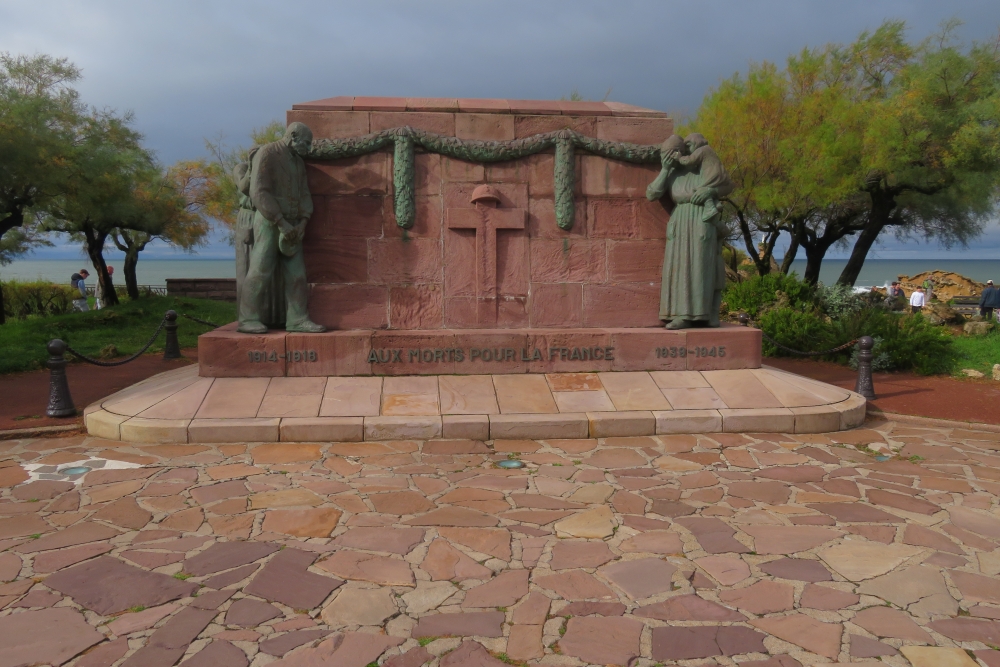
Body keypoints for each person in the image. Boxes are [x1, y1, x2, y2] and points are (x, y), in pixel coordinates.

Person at [237, 122, 326, 334]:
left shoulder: (298, 163)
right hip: (270, 222)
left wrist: (303, 222)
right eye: (306, 143)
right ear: (292, 136)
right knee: (260, 269)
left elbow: (304, 194)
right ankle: (247, 319)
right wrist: (280, 221)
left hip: (294, 226)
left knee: (297, 275)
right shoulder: (268, 153)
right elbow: (259, 191)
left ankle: (297, 319)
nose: (308, 148)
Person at [646, 133, 735, 329]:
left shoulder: (700, 167)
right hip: (680, 221)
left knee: (700, 266)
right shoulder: (671, 173)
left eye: (670, 153)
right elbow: (652, 193)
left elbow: (728, 184)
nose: (667, 157)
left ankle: (704, 314)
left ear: (680, 152)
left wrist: (711, 191)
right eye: (665, 155)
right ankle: (681, 314)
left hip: (701, 219)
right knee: (680, 268)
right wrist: (665, 169)